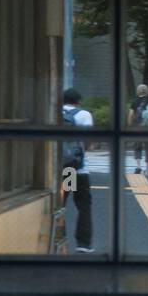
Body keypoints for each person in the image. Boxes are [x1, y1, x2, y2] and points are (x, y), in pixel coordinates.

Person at [60, 88, 95, 253]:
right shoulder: (83, 115)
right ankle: (83, 244)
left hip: (65, 169)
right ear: (78, 101)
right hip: (79, 168)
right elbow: (88, 140)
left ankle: (58, 238)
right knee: (83, 206)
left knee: (61, 204)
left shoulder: (56, 113)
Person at [127, 83, 148, 173]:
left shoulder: (135, 102)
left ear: (138, 91)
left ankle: (138, 166)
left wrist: (129, 126)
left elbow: (130, 115)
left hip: (137, 128)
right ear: (147, 91)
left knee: (137, 147)